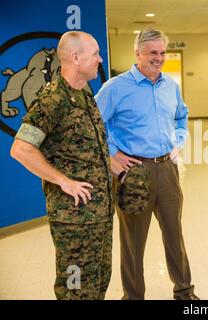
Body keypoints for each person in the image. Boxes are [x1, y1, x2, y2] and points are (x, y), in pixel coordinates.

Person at [10, 31, 121, 299]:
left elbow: (86, 146)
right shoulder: (52, 99)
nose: (100, 59)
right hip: (74, 219)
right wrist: (63, 181)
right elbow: (21, 149)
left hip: (99, 213)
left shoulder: (84, 92)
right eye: (95, 53)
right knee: (76, 288)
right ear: (75, 57)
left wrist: (112, 163)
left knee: (97, 281)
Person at [95, 28, 198, 300]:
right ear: (138, 53)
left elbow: (181, 117)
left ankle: (185, 291)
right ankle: (133, 296)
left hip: (167, 170)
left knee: (174, 234)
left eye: (162, 52)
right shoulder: (115, 88)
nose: (159, 58)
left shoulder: (170, 86)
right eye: (153, 52)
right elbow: (93, 125)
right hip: (132, 173)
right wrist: (113, 153)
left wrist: (177, 140)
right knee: (133, 242)